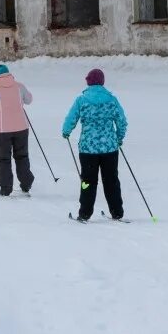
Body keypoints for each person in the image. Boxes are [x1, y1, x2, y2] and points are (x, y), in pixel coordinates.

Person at [61, 68, 128, 221]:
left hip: (87, 149)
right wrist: (118, 137)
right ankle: (117, 211)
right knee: (111, 180)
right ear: (102, 82)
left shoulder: (81, 100)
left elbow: (71, 117)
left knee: (87, 181)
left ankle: (85, 212)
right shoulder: (111, 99)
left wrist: (66, 131)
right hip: (109, 148)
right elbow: (122, 121)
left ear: (89, 82)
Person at [0, 64, 34, 196]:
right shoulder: (19, 86)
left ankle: (5, 188)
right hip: (21, 128)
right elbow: (29, 100)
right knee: (22, 156)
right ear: (9, 74)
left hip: (2, 131)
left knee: (3, 159)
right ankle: (26, 184)